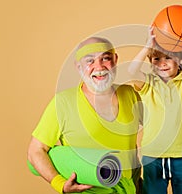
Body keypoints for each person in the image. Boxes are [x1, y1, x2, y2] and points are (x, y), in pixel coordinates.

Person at [27, 37, 142, 194]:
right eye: (90, 61)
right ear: (78, 66)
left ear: (115, 60)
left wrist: (176, 80)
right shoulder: (63, 103)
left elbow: (163, 122)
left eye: (105, 58)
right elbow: (35, 150)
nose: (99, 66)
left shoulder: (130, 94)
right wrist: (59, 184)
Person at [127, 24, 182, 194]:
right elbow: (131, 72)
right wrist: (147, 47)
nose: (162, 64)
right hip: (153, 157)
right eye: (156, 59)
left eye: (168, 58)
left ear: (180, 59)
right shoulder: (148, 84)